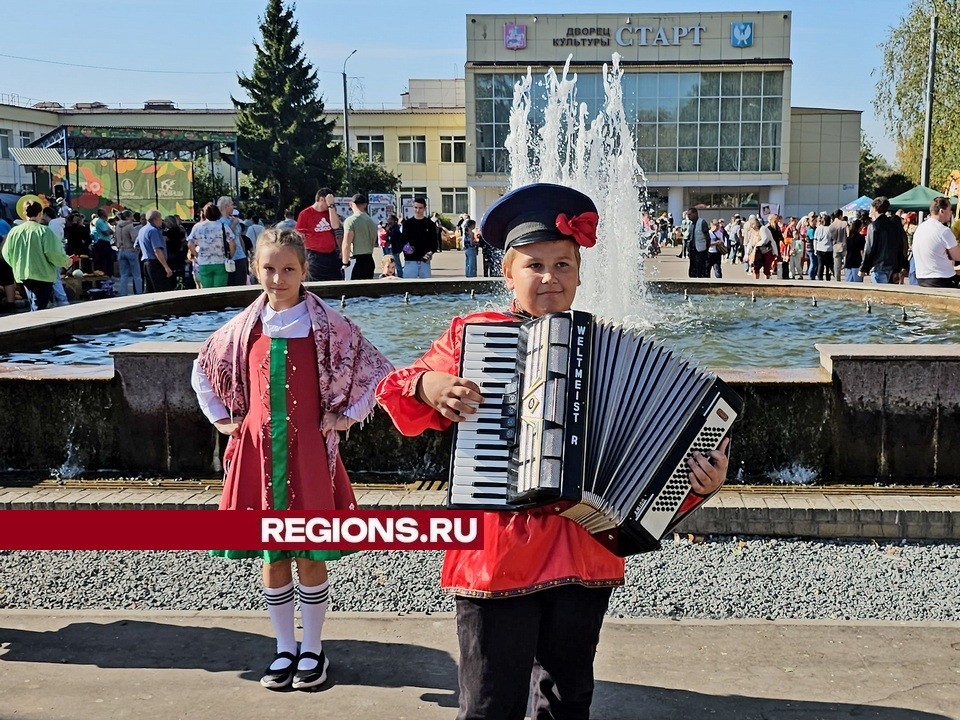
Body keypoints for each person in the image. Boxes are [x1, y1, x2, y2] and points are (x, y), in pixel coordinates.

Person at [375, 183, 729, 720]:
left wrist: (701, 480)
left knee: (567, 702)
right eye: (534, 265)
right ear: (507, 275)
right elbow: (399, 386)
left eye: (562, 264)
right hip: (498, 554)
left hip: (582, 547)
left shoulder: (613, 345)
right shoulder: (474, 335)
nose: (549, 278)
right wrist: (431, 386)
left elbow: (656, 467)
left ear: (580, 274)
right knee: (490, 703)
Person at [192, 227, 392, 691]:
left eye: (287, 269)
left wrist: (346, 417)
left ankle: (314, 649)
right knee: (273, 553)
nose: (277, 278)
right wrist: (224, 420)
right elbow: (203, 368)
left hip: (308, 455)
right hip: (259, 453)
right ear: (255, 269)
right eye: (268, 268)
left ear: (304, 270)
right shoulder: (244, 327)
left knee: (310, 551)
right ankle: (284, 647)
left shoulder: (331, 326)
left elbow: (378, 373)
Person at [1, 200, 71, 311]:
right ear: (40, 214)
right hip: (43, 274)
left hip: (23, 273)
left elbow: (6, 252)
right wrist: (66, 261)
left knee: (34, 304)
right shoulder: (44, 231)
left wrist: (16, 265)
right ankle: (37, 327)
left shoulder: (14, 231)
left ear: (24, 214)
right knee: (39, 308)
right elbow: (53, 253)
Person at [912, 196, 960, 288]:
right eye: (950, 210)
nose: (951, 213)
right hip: (942, 279)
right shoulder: (944, 231)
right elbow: (957, 256)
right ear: (942, 211)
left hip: (921, 279)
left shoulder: (920, 228)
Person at [296, 188, 343, 281]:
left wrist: (331, 206)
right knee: (315, 282)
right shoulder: (305, 214)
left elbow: (335, 225)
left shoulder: (330, 212)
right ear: (321, 199)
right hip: (314, 256)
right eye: (329, 202)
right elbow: (299, 236)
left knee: (335, 282)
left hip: (331, 255)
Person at [861, 196, 909, 284]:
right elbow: (900, 245)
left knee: (878, 295)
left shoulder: (873, 226)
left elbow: (869, 249)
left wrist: (863, 268)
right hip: (893, 266)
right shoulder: (893, 225)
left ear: (875, 208)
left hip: (878, 266)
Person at [187, 203, 234, 289]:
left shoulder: (197, 227)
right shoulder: (223, 226)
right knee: (220, 290)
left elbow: (190, 244)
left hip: (204, 262)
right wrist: (230, 255)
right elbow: (232, 243)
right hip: (221, 262)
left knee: (207, 290)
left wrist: (197, 255)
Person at [341, 194, 378, 281]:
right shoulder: (371, 221)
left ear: (351, 204)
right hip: (369, 259)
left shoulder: (350, 221)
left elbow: (346, 243)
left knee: (354, 291)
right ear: (365, 205)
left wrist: (345, 263)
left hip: (356, 261)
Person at [400, 197, 438, 278]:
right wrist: (407, 249)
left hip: (424, 262)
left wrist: (430, 253)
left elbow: (434, 244)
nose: (418, 210)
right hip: (410, 261)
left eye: (420, 208)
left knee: (426, 288)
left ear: (425, 208)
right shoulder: (407, 224)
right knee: (408, 286)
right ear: (413, 208)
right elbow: (402, 241)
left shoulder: (430, 224)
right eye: (416, 207)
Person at [137, 209, 174, 292]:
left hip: (146, 263)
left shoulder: (142, 230)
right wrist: (166, 267)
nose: (162, 221)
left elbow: (136, 245)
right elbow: (157, 250)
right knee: (161, 290)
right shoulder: (153, 231)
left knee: (149, 291)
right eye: (161, 218)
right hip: (155, 264)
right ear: (156, 219)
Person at [218, 197, 247, 286]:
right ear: (226, 206)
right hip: (229, 258)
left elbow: (239, 237)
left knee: (241, 283)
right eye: (231, 205)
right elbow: (224, 236)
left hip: (240, 256)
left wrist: (244, 252)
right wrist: (233, 224)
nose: (233, 207)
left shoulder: (234, 219)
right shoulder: (220, 222)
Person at [114, 210, 142, 296]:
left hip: (121, 251)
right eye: (131, 216)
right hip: (130, 250)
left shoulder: (117, 226)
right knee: (136, 275)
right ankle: (139, 293)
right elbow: (134, 238)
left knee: (123, 275)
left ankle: (123, 293)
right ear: (127, 217)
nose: (133, 218)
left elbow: (115, 239)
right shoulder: (130, 226)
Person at [685, 207, 709, 278]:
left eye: (690, 214)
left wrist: (706, 248)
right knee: (692, 268)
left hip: (701, 250)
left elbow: (707, 237)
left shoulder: (702, 222)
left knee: (700, 267)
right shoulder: (690, 224)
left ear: (695, 214)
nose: (688, 216)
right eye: (687, 215)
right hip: (692, 250)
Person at [89, 208, 114, 275]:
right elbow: (106, 232)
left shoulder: (105, 222)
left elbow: (111, 231)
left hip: (107, 242)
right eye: (105, 212)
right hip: (102, 242)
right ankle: (103, 274)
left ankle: (109, 274)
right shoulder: (99, 222)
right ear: (102, 214)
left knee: (109, 260)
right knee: (103, 259)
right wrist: (109, 231)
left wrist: (109, 231)